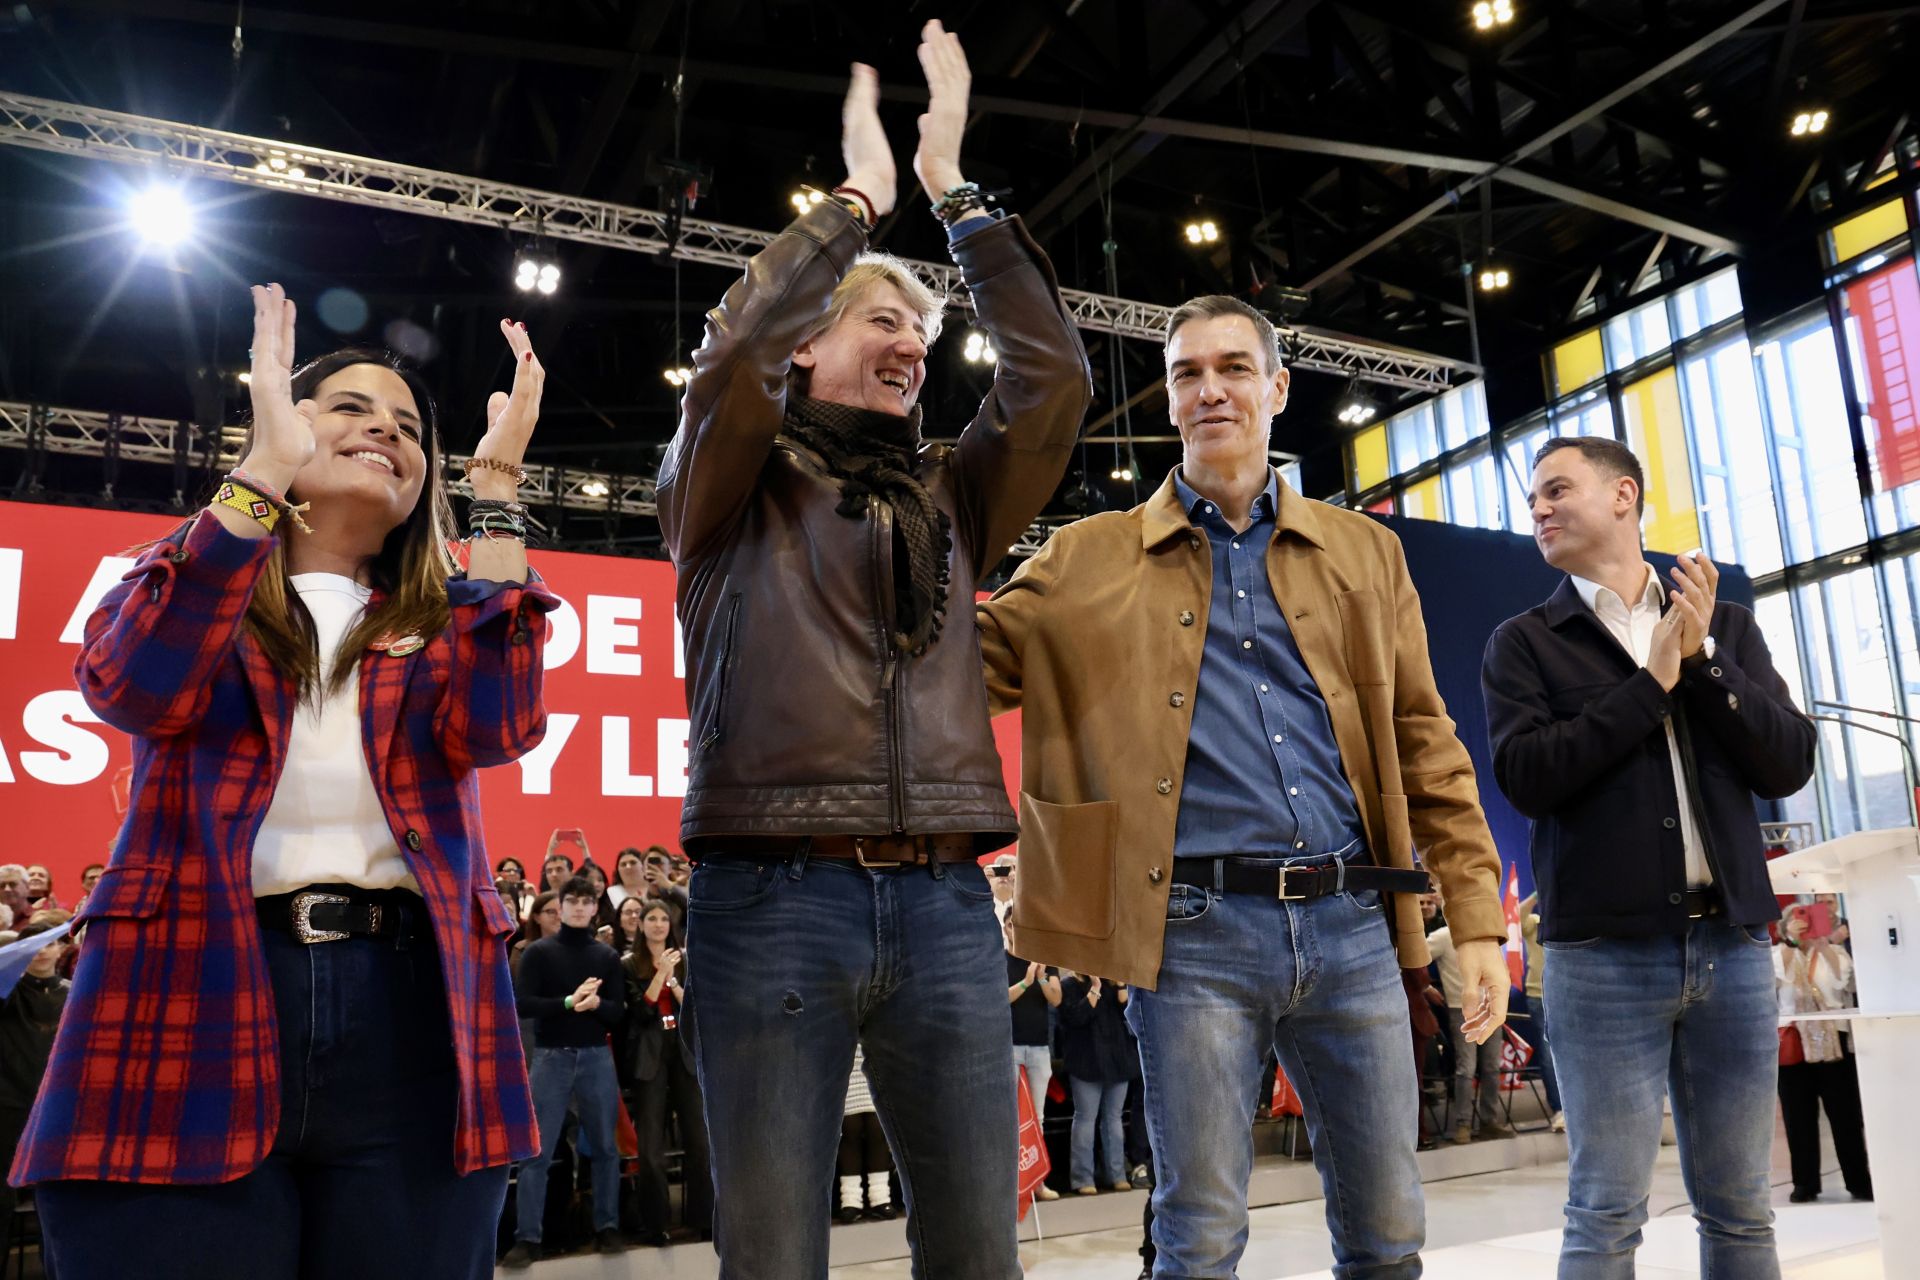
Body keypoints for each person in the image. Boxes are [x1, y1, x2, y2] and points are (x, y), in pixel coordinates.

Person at [658, 22, 1090, 1278]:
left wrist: (956, 193)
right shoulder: (729, 485)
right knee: (774, 1254)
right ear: (808, 341)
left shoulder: (955, 491)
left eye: (922, 330)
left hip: (950, 899)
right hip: (770, 897)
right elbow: (733, 358)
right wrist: (853, 206)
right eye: (883, 320)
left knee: (979, 1251)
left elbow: (1052, 383)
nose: (913, 344)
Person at [14, 288, 553, 1280]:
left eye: (408, 428)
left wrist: (499, 490)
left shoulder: (447, 621)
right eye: (351, 408)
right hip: (190, 987)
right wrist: (260, 472)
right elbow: (133, 685)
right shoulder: (187, 578)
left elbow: (500, 726)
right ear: (287, 422)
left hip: (416, 1016)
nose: (386, 431)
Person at [978, 293, 1505, 1277]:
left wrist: (1475, 919)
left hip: (1354, 923)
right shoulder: (1085, 560)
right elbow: (952, 673)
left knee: (1390, 1233)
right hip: (1190, 933)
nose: (1210, 389)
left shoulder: (1366, 551)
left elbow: (1424, 740)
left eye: (1232, 368)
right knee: (1201, 1236)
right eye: (1187, 373)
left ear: (1278, 387)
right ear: (1168, 399)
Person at [1481, 436, 1816, 1279]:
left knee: (1742, 1211)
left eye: (1557, 490)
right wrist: (1648, 684)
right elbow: (1527, 778)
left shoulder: (1725, 625)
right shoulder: (1524, 642)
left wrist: (1700, 660)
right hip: (1602, 961)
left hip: (1732, 948)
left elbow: (1788, 762)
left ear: (1623, 495)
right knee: (1605, 1212)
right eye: (1533, 499)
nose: (1539, 509)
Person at [505, 875, 628, 1266]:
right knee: (537, 1153)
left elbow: (618, 1012)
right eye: (571, 900)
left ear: (594, 907)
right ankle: (528, 1237)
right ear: (561, 906)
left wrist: (596, 1006)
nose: (578, 907)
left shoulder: (606, 956)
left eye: (585, 901)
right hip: (551, 1056)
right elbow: (523, 1004)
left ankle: (607, 1226)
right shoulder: (539, 952)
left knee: (605, 1148)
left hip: (595, 1055)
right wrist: (569, 1002)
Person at [622, 901, 710, 1243]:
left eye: (663, 919)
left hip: (683, 1051)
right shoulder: (629, 964)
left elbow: (694, 1007)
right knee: (650, 1147)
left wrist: (671, 978)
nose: (658, 924)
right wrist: (658, 974)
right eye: (651, 919)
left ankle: (704, 1218)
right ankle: (656, 1224)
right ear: (641, 925)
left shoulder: (685, 960)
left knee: (699, 1140)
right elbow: (640, 1012)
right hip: (649, 1055)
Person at [1774, 905, 1872, 1203]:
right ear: (1784, 926)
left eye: (1810, 918)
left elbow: (1845, 983)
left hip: (1834, 1044)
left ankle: (1858, 1181)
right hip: (1793, 1043)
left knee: (1846, 1117)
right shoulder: (1777, 953)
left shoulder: (1837, 953)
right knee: (1798, 1119)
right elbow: (1774, 981)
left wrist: (1823, 946)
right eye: (1796, 919)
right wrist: (1792, 942)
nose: (1804, 924)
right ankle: (1805, 1183)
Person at [0, 911, 72, 1231]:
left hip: (57, 1107)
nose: (42, 951)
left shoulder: (73, 992)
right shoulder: (7, 995)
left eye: (50, 944)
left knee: (55, 1195)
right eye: (34, 945)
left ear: (61, 950)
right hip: (10, 1104)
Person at [1426, 924, 1513, 1143]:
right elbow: (1414, 959)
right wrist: (1425, 987)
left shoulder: (1487, 933)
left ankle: (1489, 1122)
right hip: (1461, 1008)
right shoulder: (1443, 936)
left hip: (1490, 1005)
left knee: (1491, 1067)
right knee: (1466, 1068)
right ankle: (1463, 1124)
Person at [1057, 973, 1138, 1195]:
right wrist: (1095, 987)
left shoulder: (1113, 986)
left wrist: (1120, 984)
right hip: (1085, 1062)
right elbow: (1076, 1017)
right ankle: (1083, 1178)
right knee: (1085, 1118)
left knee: (1114, 1119)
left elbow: (1128, 1014)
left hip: (1117, 1060)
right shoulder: (1069, 985)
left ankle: (1117, 1175)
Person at [1005, 928, 1062, 1201]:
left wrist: (1040, 978)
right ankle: (1012, 1183)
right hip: (1011, 1047)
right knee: (1011, 1117)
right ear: (1005, 929)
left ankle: (1037, 1181)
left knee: (1037, 1117)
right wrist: (1026, 982)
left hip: (1039, 1047)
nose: (1014, 930)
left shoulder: (1044, 960)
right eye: (1010, 925)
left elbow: (1056, 998)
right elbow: (1000, 999)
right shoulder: (1001, 960)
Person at [1513, 892, 1564, 1131]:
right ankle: (1559, 1109)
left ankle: (1577, 1108)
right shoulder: (1534, 923)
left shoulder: (1570, 921)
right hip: (1539, 996)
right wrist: (1537, 893)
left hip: (1568, 994)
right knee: (1548, 1055)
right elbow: (1515, 915)